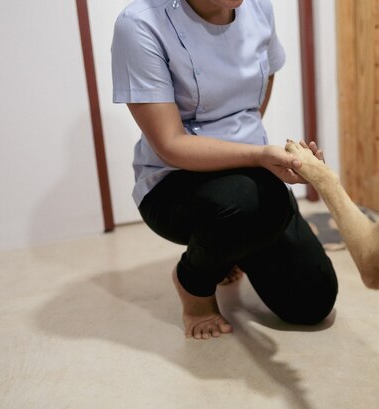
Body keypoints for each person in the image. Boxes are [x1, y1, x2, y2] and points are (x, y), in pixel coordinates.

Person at [111, 0, 338, 340]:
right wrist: (259, 156)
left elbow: (264, 80)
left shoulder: (259, 8)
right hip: (174, 181)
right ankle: (193, 285)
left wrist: (261, 155)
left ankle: (232, 246)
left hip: (250, 174)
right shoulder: (140, 23)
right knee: (249, 200)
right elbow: (171, 143)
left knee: (312, 301)